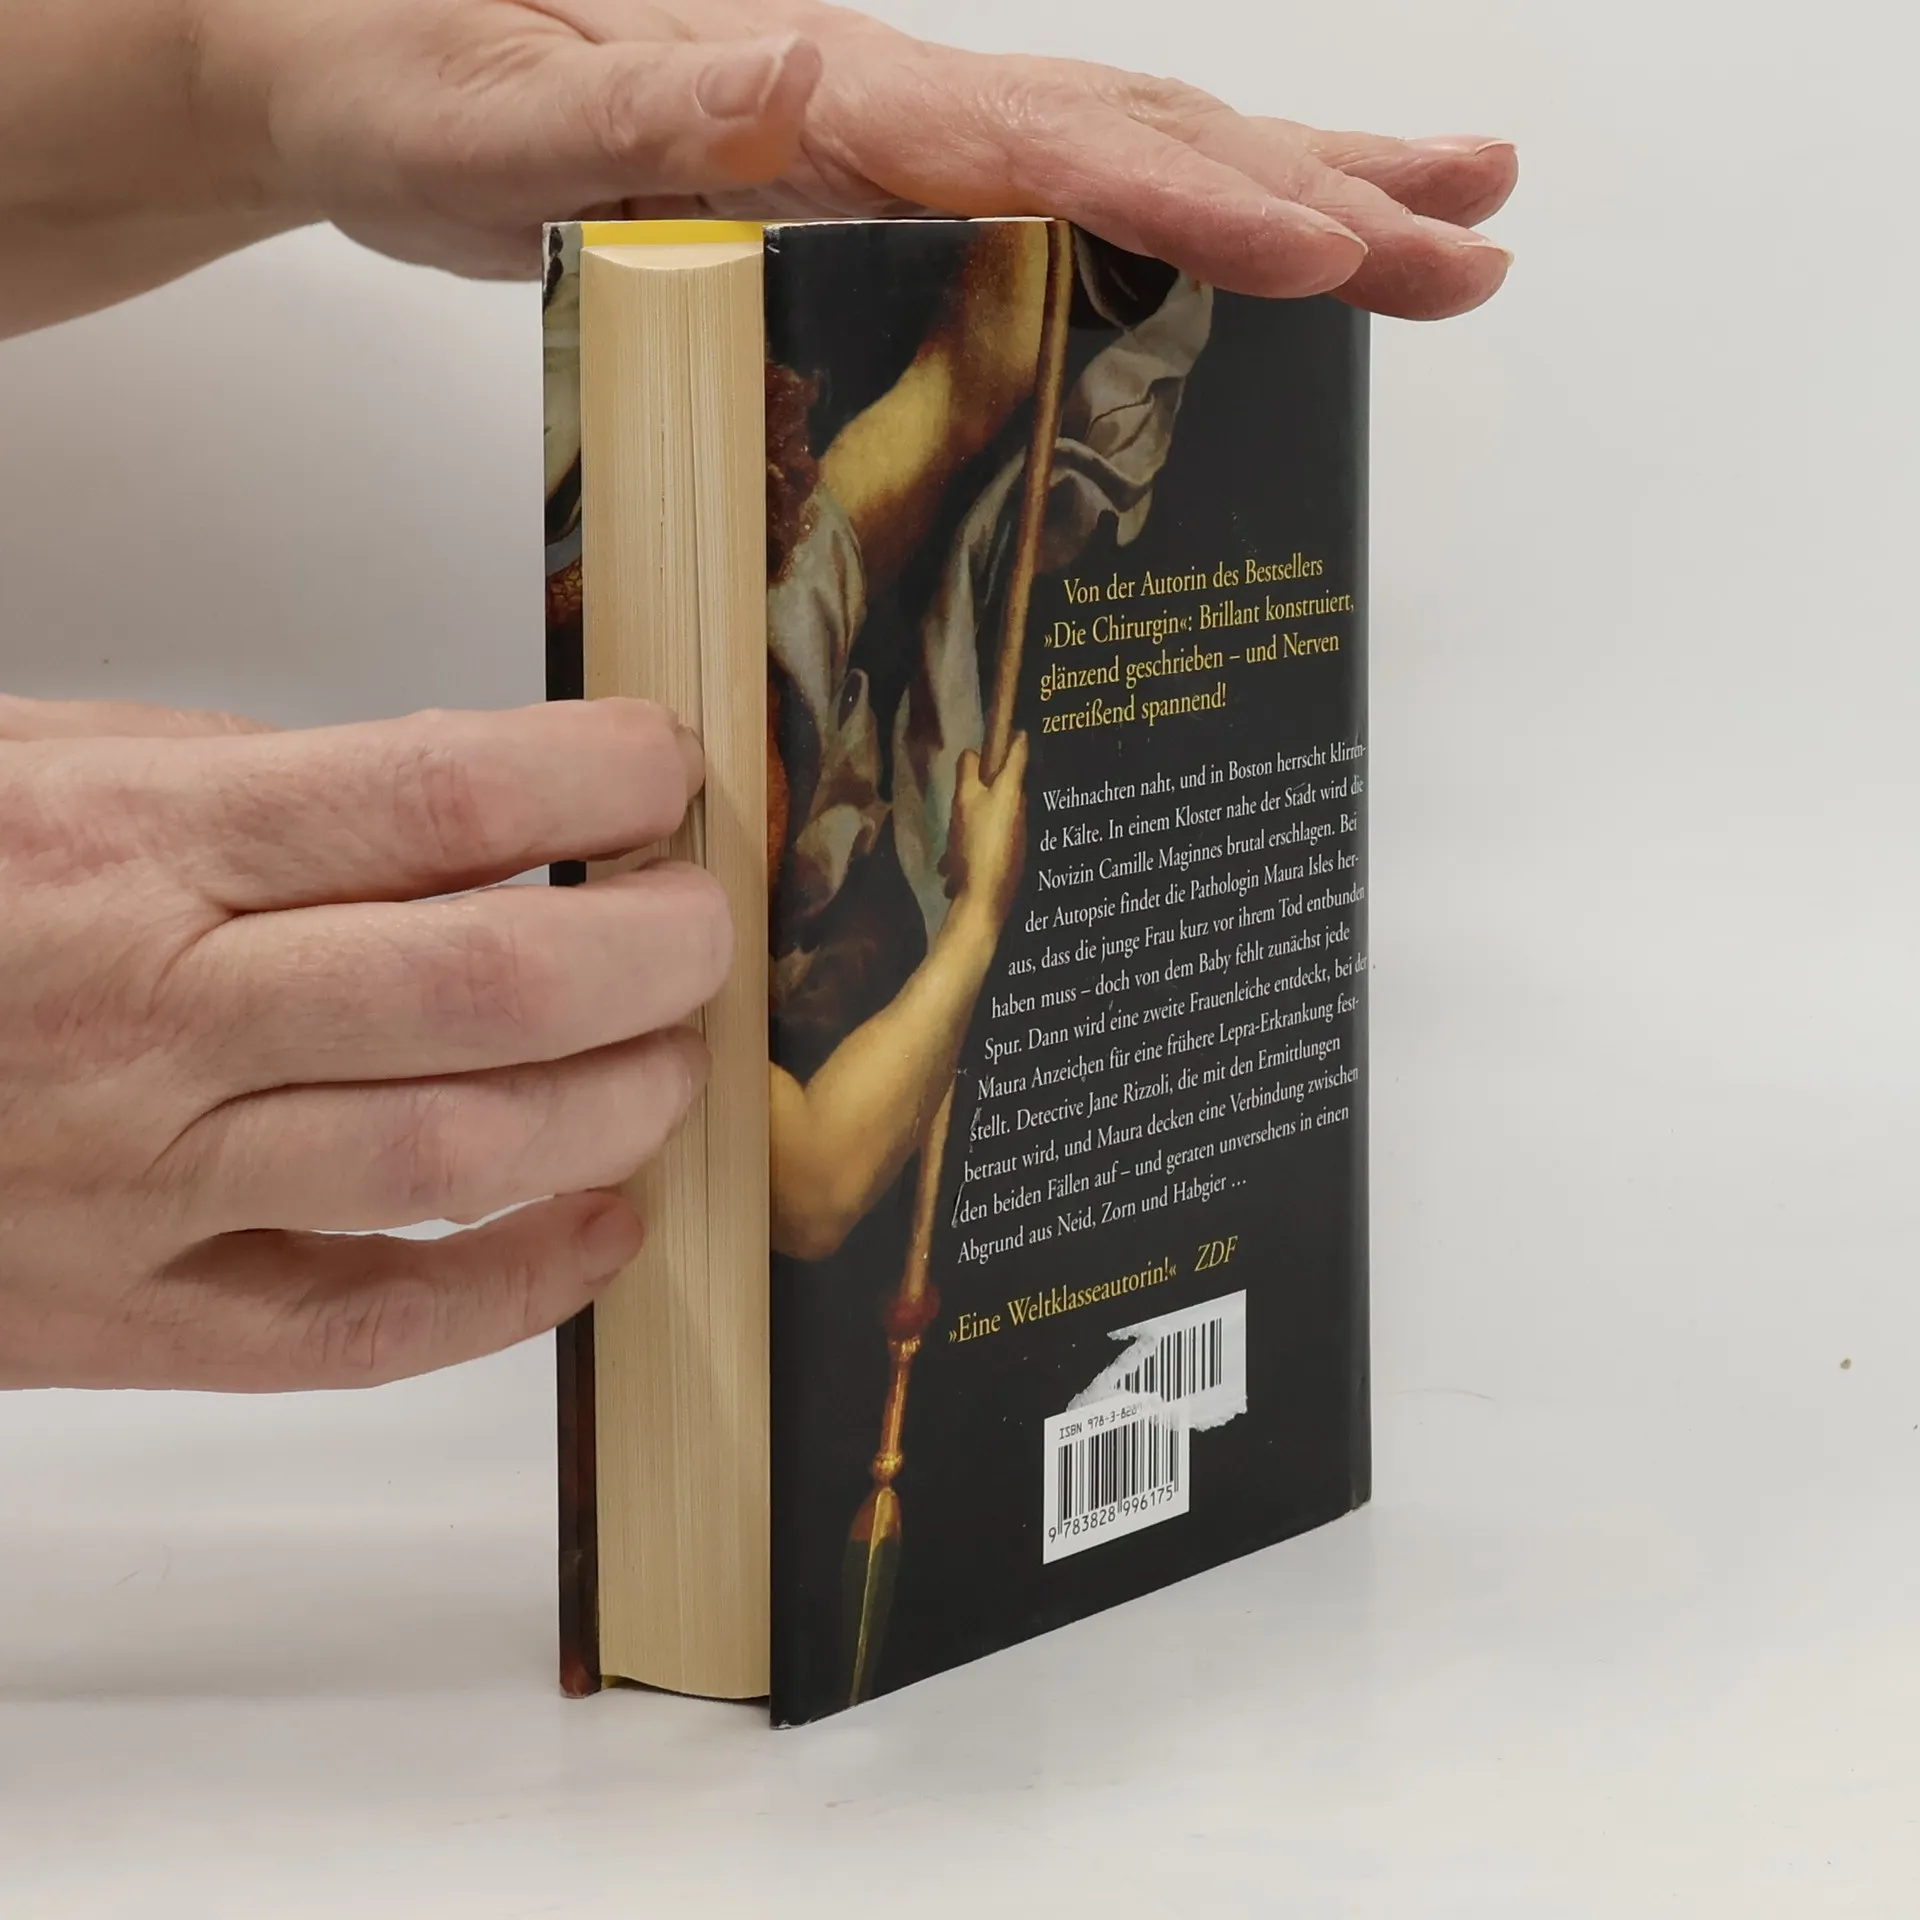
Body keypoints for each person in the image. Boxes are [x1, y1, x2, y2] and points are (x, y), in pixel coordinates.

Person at [0, 0, 1516, 1390]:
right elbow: (811, 1184)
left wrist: (239, 64)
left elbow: (955, 399)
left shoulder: (789, 599)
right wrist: (980, 920)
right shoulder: (783, 647)